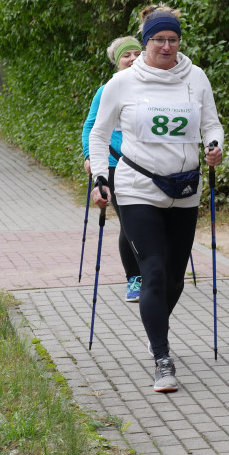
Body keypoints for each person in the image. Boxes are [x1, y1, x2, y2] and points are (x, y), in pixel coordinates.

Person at [89, 5, 223, 393]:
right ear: (145, 41)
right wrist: (100, 176)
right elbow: (99, 135)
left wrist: (214, 145)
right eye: (158, 40)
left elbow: (211, 123)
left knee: (176, 278)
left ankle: (155, 326)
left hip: (185, 188)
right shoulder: (124, 83)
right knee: (154, 270)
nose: (166, 46)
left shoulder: (195, 78)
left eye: (172, 39)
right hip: (136, 188)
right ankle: (162, 358)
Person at [82, 36, 143, 303]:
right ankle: (135, 277)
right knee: (129, 219)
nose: (132, 59)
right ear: (117, 62)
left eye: (136, 54)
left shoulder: (155, 87)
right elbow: (91, 127)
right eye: (125, 56)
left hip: (150, 164)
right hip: (115, 164)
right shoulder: (107, 90)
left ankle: (156, 272)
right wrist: (89, 156)